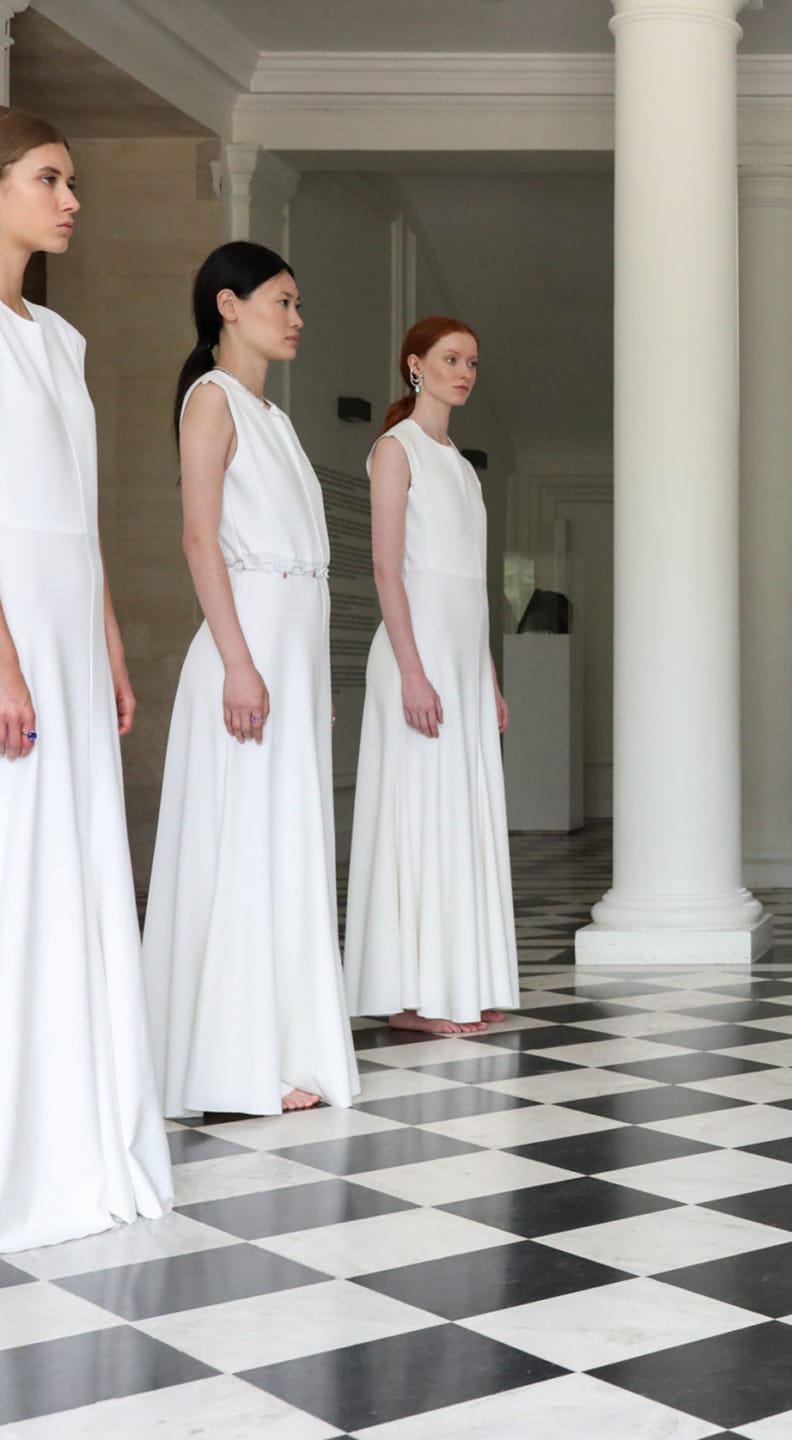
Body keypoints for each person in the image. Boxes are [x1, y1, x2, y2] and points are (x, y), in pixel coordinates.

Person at [0, 106, 171, 1251]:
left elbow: (81, 503)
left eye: (70, 182)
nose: (70, 201)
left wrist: (107, 636)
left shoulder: (60, 340)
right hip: (11, 617)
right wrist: (4, 658)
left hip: (69, 618)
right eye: (49, 179)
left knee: (77, 861)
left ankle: (80, 1128)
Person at [141, 242, 359, 1117]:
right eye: (283, 301)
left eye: (299, 303)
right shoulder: (211, 399)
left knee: (285, 849)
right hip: (248, 654)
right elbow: (200, 539)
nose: (298, 318)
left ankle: (282, 1046)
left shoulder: (277, 418)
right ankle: (231, 1064)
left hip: (289, 656)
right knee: (242, 847)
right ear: (228, 306)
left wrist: (314, 682)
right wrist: (239, 662)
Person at [345, 317, 518, 1035]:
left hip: (462, 665)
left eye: (473, 362)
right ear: (415, 365)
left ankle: (456, 982)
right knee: (415, 816)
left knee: (459, 818)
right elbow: (388, 569)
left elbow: (472, 588)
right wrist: (414, 674)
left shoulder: (464, 467)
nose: (465, 372)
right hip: (414, 662)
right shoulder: (396, 449)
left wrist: (489, 679)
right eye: (451, 359)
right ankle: (408, 999)